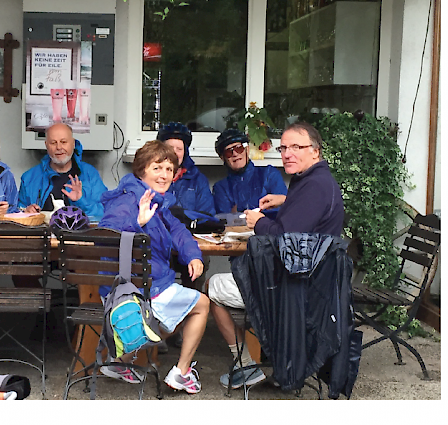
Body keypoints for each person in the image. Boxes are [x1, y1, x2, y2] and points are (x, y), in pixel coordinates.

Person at [200, 122, 344, 389]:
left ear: (315, 151)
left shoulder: (313, 186)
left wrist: (258, 222)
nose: (287, 153)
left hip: (291, 289)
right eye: (284, 148)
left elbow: (284, 238)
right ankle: (271, 355)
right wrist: (285, 200)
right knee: (235, 274)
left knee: (212, 287)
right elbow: (304, 220)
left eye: (296, 147)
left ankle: (246, 365)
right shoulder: (316, 181)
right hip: (308, 282)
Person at [99, 140, 216, 394]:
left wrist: (192, 256)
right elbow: (107, 238)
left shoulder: (155, 200)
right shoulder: (128, 201)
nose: (164, 175)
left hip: (143, 286)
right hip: (133, 293)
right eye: (157, 168)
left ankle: (120, 362)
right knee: (201, 304)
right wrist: (136, 223)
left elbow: (177, 230)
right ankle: (182, 373)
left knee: (179, 310)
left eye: (169, 169)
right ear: (142, 170)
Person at [17, 122, 105, 220]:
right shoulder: (29, 178)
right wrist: (25, 212)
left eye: (63, 142)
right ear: (46, 145)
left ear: (73, 144)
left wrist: (81, 201)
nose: (59, 147)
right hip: (41, 234)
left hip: (80, 234)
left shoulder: (90, 174)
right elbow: (17, 212)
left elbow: (105, 211)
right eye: (53, 143)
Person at [209, 128, 286, 215]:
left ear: (247, 149)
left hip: (270, 227)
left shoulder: (269, 174)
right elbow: (226, 220)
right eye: (228, 152)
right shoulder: (221, 188)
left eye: (239, 148)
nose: (235, 154)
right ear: (223, 158)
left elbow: (284, 209)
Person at [156, 122, 219, 217]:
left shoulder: (198, 180)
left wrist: (182, 215)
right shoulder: (151, 177)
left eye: (179, 149)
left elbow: (207, 216)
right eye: (169, 148)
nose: (174, 153)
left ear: (185, 152)